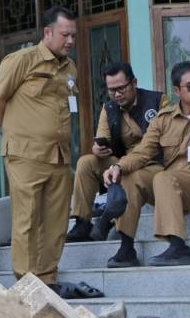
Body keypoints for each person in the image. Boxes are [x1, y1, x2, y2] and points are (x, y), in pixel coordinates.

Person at [0, 6, 85, 294]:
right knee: (26, 220)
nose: (70, 40)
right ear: (48, 32)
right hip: (25, 155)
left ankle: (48, 280)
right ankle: (26, 283)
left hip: (59, 155)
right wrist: (15, 132)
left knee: (56, 222)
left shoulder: (70, 68)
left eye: (73, 35)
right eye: (65, 34)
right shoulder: (22, 60)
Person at [102, 61, 190, 267]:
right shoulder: (164, 118)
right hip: (170, 187)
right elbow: (143, 151)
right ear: (176, 91)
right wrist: (118, 167)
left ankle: (179, 247)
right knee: (132, 176)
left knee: (163, 176)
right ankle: (126, 248)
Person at [66, 62, 170, 242]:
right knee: (86, 162)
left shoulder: (159, 101)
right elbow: (102, 137)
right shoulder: (109, 108)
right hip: (122, 162)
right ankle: (82, 221)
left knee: (129, 174)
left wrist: (122, 165)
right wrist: (98, 149)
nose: (117, 94)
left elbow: (163, 141)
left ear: (134, 83)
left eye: (121, 88)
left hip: (153, 164)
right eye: (111, 90)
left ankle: (114, 225)